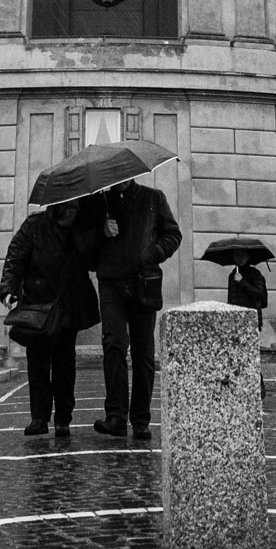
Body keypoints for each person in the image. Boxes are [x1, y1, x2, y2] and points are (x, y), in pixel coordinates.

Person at [0, 199, 100, 437]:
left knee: (65, 364)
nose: (73, 213)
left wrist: (97, 233)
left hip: (68, 305)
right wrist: (8, 288)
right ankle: (39, 418)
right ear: (59, 207)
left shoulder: (81, 229)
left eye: (77, 208)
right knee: (38, 364)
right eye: (70, 208)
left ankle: (63, 419)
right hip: (37, 306)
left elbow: (92, 261)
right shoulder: (35, 225)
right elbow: (16, 256)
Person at [86, 179, 181, 439]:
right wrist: (100, 232)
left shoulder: (154, 198)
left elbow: (173, 234)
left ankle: (140, 420)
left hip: (144, 282)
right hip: (111, 283)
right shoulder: (98, 202)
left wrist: (152, 253)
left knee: (144, 353)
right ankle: (115, 417)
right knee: (114, 344)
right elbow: (82, 244)